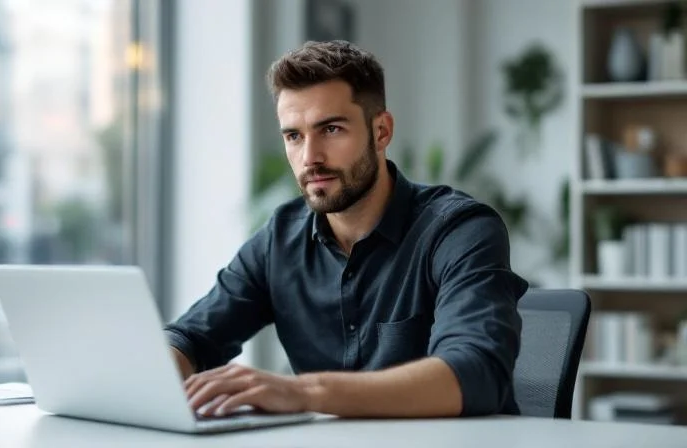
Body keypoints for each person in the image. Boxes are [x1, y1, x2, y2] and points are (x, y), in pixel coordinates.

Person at [164, 40, 529, 419]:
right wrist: (155, 373)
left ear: (382, 131)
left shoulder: (458, 230)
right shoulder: (280, 241)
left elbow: (476, 374)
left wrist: (304, 392)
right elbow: (190, 338)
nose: (310, 158)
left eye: (332, 129)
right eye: (294, 136)